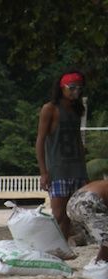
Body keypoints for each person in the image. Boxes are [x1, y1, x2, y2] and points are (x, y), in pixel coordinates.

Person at [36, 71, 88, 243]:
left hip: (76, 169)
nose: (75, 92)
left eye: (79, 89)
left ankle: (62, 250)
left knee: (73, 215)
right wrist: (43, 172)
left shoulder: (76, 110)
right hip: (58, 169)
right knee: (58, 214)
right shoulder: (50, 108)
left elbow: (78, 141)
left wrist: (84, 168)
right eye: (72, 88)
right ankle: (49, 247)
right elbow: (40, 141)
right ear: (62, 88)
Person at [66, 179, 108, 264]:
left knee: (105, 241)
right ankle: (99, 267)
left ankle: (100, 266)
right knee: (106, 242)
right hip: (88, 202)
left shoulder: (102, 183)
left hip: (72, 203)